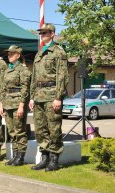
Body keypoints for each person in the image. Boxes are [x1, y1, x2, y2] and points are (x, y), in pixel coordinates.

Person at [29, 23, 69, 171]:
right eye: (41, 33)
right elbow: (34, 77)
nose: (43, 35)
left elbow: (62, 76)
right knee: (40, 129)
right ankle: (44, 158)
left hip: (52, 94)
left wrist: (58, 97)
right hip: (39, 96)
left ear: (52, 34)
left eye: (45, 32)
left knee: (54, 128)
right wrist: (32, 97)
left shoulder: (58, 51)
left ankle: (54, 159)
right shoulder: (39, 53)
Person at [0, 45, 31, 166]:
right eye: (8, 54)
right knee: (11, 131)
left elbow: (25, 88)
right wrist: (1, 103)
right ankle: (15, 155)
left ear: (18, 55)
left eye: (12, 54)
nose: (9, 56)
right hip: (7, 103)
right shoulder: (7, 70)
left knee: (19, 131)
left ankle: (21, 157)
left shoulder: (23, 70)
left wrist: (22, 105)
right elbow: (3, 88)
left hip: (18, 103)